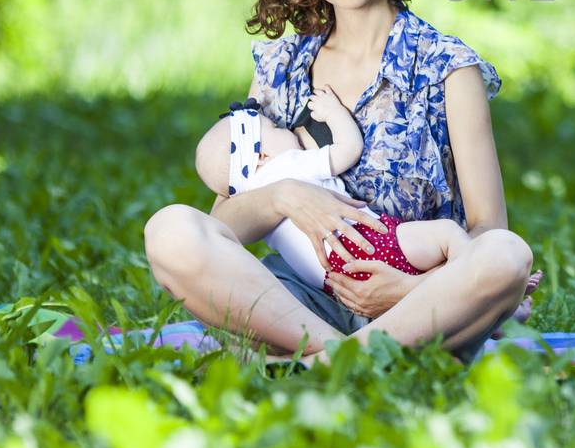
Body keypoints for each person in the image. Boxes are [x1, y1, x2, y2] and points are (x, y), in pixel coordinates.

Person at [144, 0, 534, 362]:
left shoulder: (448, 69)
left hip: (416, 306)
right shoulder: (282, 68)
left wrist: (403, 291)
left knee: (507, 256)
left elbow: (485, 231)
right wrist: (286, 196)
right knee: (170, 230)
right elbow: (226, 227)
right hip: (297, 309)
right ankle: (342, 359)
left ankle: (331, 364)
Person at [202, 84, 472, 298]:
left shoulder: (251, 196)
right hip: (370, 243)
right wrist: (333, 113)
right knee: (448, 236)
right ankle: (481, 287)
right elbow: (349, 149)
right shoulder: (286, 165)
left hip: (335, 281)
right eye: (273, 128)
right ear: (261, 155)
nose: (283, 128)